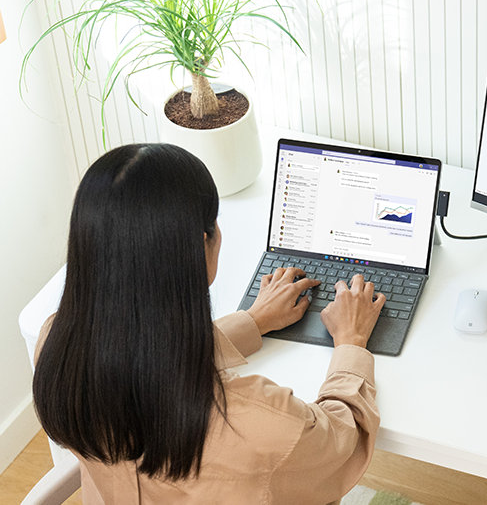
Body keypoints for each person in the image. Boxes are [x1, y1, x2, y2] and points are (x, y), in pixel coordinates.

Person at [32, 144, 386, 503]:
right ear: (203, 246)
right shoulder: (255, 422)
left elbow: (150, 359)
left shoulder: (57, 347)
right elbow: (343, 444)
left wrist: (253, 320)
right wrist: (351, 343)